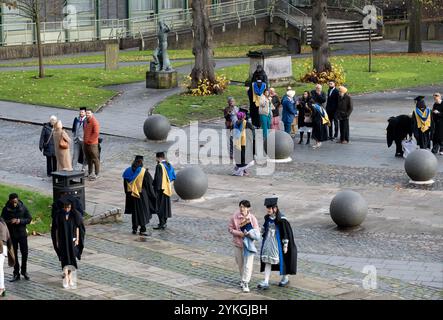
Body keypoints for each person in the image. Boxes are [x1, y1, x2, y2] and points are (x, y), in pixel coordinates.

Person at [258, 197, 297, 289]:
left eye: (269, 208)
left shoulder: (282, 219)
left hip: (278, 243)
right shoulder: (267, 218)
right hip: (268, 242)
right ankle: (266, 281)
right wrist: (259, 231)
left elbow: (285, 233)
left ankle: (285, 277)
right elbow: (264, 228)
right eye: (267, 208)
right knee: (267, 260)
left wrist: (285, 245)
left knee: (283, 260)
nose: (268, 210)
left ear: (275, 208)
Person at [51, 196, 85, 289]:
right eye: (65, 207)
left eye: (68, 207)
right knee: (65, 260)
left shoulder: (75, 215)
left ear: (71, 207)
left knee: (72, 260)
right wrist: (57, 241)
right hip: (62, 241)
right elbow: (56, 230)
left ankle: (70, 277)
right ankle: (65, 278)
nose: (67, 209)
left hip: (72, 240)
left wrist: (77, 239)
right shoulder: (59, 215)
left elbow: (78, 228)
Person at [228, 200, 260, 293]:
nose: (242, 209)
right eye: (241, 207)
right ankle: (243, 279)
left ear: (248, 208)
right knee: (240, 264)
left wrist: (249, 233)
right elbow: (230, 228)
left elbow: (257, 232)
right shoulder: (235, 216)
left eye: (244, 207)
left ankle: (245, 282)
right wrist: (239, 233)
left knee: (248, 265)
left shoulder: (252, 218)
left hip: (249, 245)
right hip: (238, 244)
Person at [1, 193, 32, 282]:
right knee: (14, 254)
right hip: (12, 235)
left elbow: (29, 219)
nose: (15, 203)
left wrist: (20, 221)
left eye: (16, 201)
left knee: (25, 253)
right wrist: (10, 221)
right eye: (13, 201)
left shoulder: (23, 207)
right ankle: (16, 273)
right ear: (10, 201)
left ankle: (24, 271)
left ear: (18, 200)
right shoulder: (6, 209)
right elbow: (2, 221)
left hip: (22, 234)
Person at [123, 155, 157, 236]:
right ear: (141, 162)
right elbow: (149, 184)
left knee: (135, 212)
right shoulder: (143, 171)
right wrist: (153, 195)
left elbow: (125, 185)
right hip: (142, 195)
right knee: (143, 212)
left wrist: (128, 194)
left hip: (131, 195)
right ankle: (142, 229)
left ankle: (134, 229)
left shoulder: (127, 171)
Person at [153, 152, 175, 230]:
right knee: (166, 207)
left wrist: (155, 190)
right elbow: (173, 177)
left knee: (159, 206)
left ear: (159, 158)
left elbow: (158, 179)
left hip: (161, 190)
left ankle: (161, 223)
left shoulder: (159, 166)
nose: (155, 159)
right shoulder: (169, 165)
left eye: (156, 158)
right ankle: (164, 223)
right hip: (168, 189)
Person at [232, 112, 255, 177]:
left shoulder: (235, 123)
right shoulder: (247, 123)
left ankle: (242, 170)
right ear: (244, 117)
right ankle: (238, 171)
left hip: (237, 143)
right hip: (245, 143)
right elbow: (252, 131)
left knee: (240, 157)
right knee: (247, 159)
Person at [83, 109, 100, 180]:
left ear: (92, 114)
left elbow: (96, 133)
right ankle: (90, 172)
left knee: (95, 159)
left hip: (92, 144)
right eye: (86, 113)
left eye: (89, 113)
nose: (87, 115)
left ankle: (96, 174)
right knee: (88, 159)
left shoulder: (94, 122)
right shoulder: (86, 121)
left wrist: (89, 141)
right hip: (86, 143)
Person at [0, 216, 14, 297]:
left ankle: (1, 288)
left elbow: (1, 239)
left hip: (1, 249)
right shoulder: (3, 222)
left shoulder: (1, 224)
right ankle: (3, 288)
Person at [72, 107, 87, 171]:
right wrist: (74, 136)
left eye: (82, 112)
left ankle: (83, 168)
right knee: (75, 155)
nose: (81, 113)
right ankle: (73, 168)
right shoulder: (76, 119)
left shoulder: (87, 120)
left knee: (85, 155)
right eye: (80, 112)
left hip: (84, 140)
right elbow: (73, 129)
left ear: (85, 113)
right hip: (76, 140)